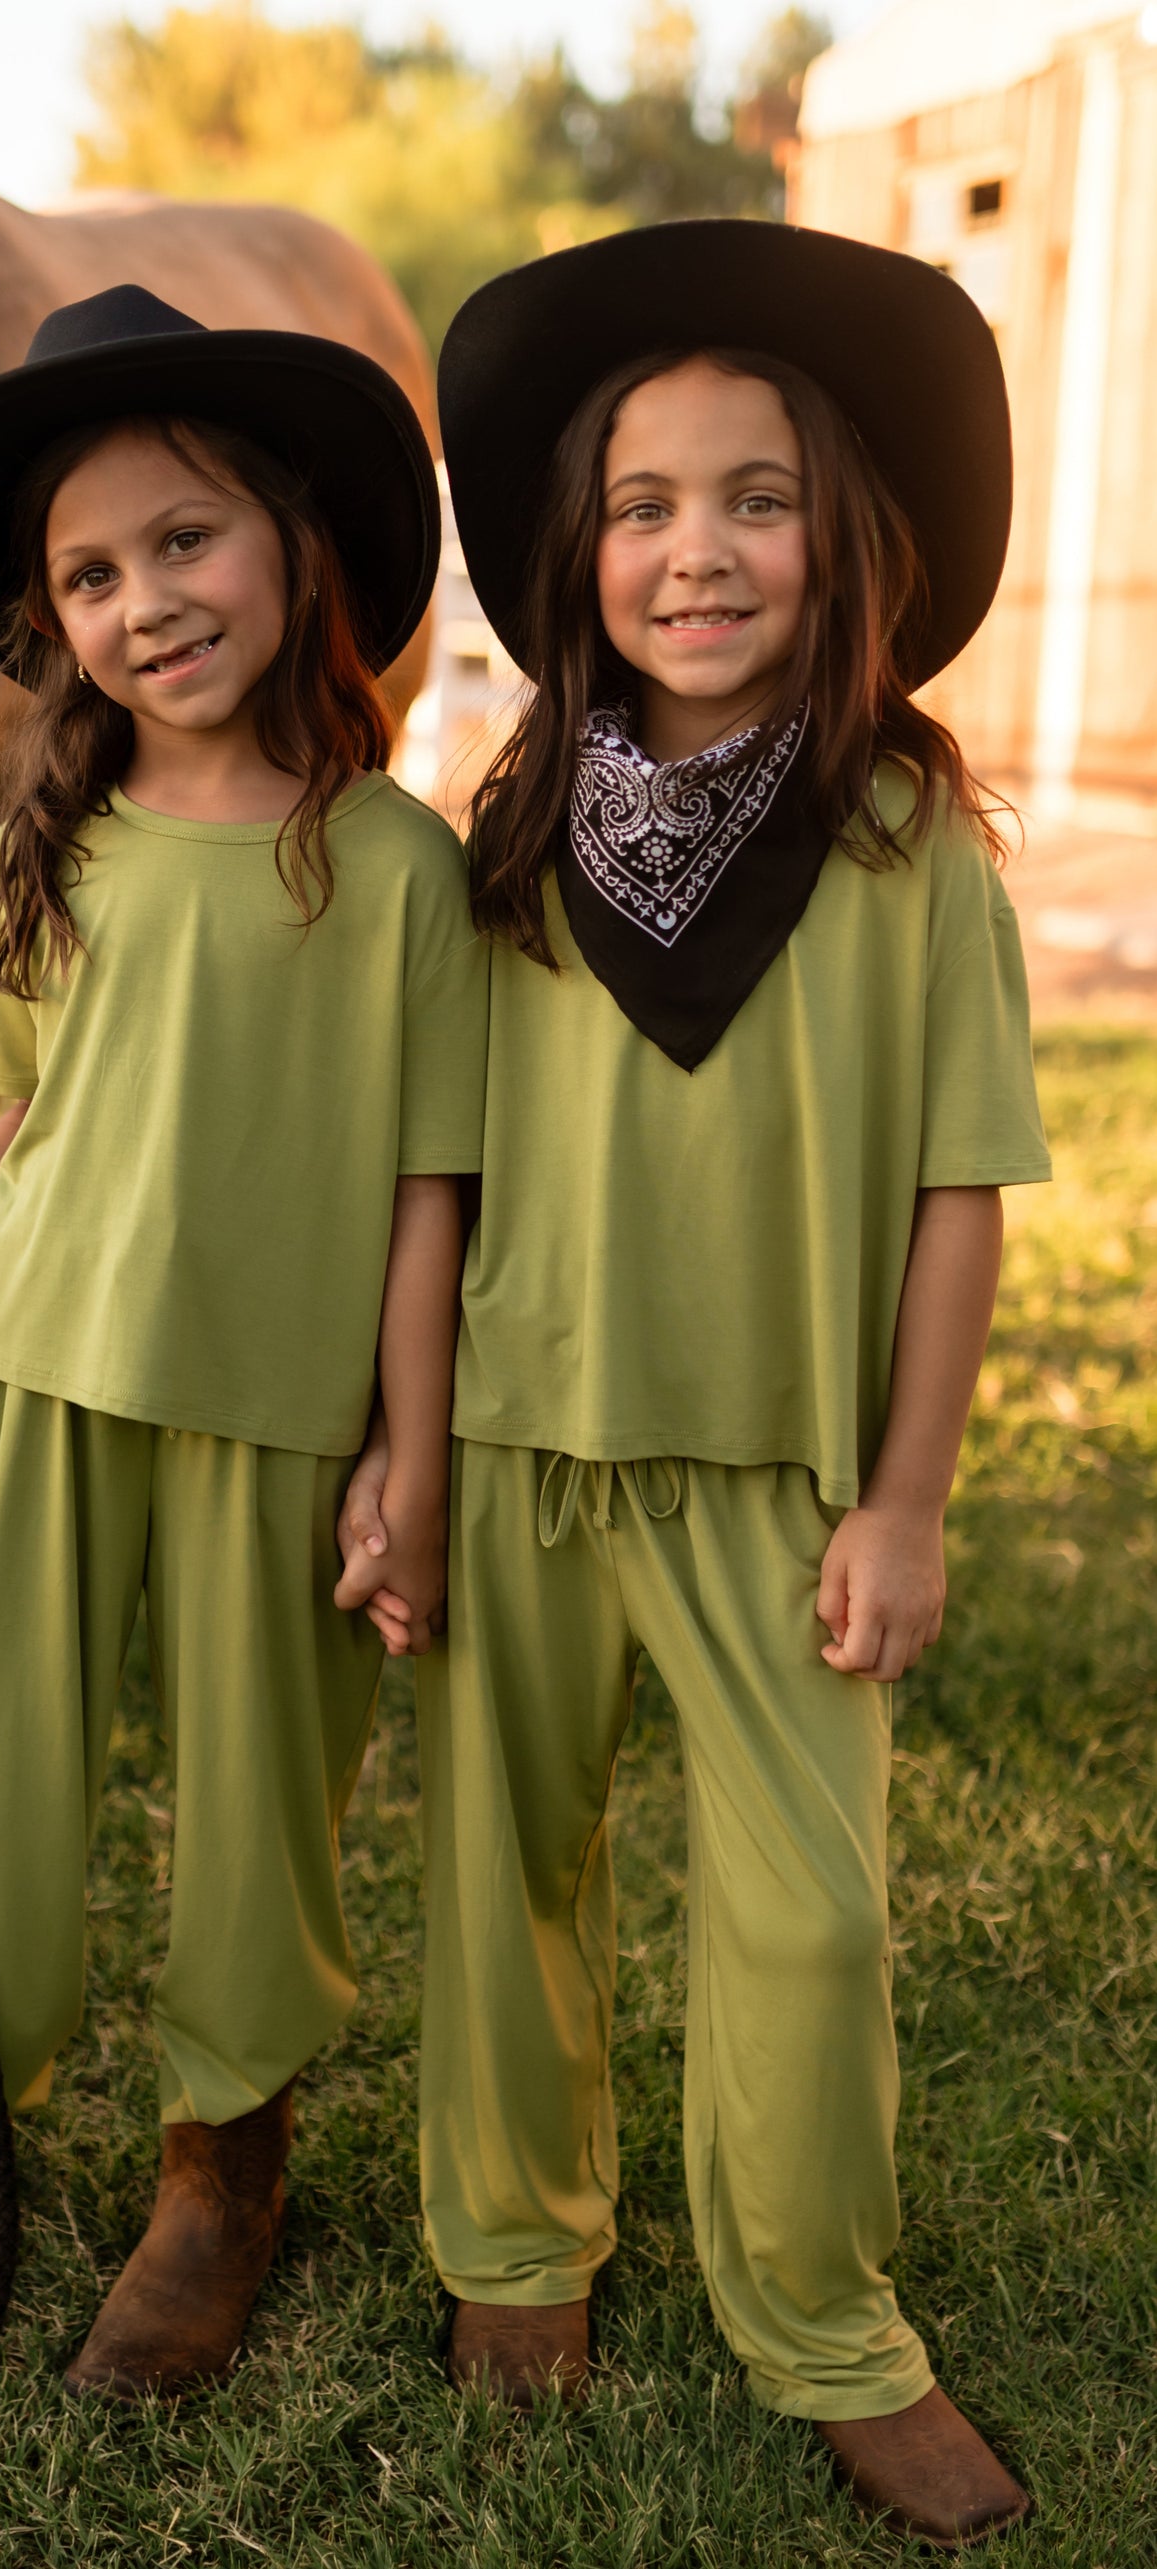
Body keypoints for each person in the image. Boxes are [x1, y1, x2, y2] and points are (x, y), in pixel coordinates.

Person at [338, 222, 1048, 2549]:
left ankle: (820, 2310)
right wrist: (411, 1458)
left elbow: (960, 1189)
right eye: (644, 505)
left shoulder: (909, 837)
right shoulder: (514, 822)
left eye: (755, 498)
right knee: (507, 1874)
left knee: (810, 1915)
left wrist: (915, 1493)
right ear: (582, 548)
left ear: (844, 531)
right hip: (525, 1443)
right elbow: (437, 1177)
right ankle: (517, 2241)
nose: (696, 549)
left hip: (775, 1471)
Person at [0, 285, 487, 2399]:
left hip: (280, 1416)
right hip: (37, 1391)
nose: (146, 600)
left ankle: (220, 2170)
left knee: (267, 1806)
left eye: (185, 540)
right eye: (91, 572)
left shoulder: (397, 872)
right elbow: (35, 1119)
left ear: (288, 546)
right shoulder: (41, 847)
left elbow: (430, 1196)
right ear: (55, 618)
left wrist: (410, 1459)